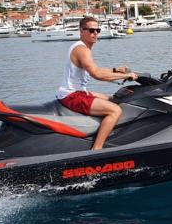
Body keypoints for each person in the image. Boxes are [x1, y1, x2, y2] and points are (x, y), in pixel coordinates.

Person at [56, 16, 137, 150]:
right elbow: (97, 74)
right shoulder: (82, 50)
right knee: (115, 110)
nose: (95, 33)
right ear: (81, 31)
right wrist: (126, 75)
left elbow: (97, 69)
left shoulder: (82, 48)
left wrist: (116, 70)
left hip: (76, 92)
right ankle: (97, 149)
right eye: (91, 30)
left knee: (112, 98)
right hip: (71, 96)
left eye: (97, 30)